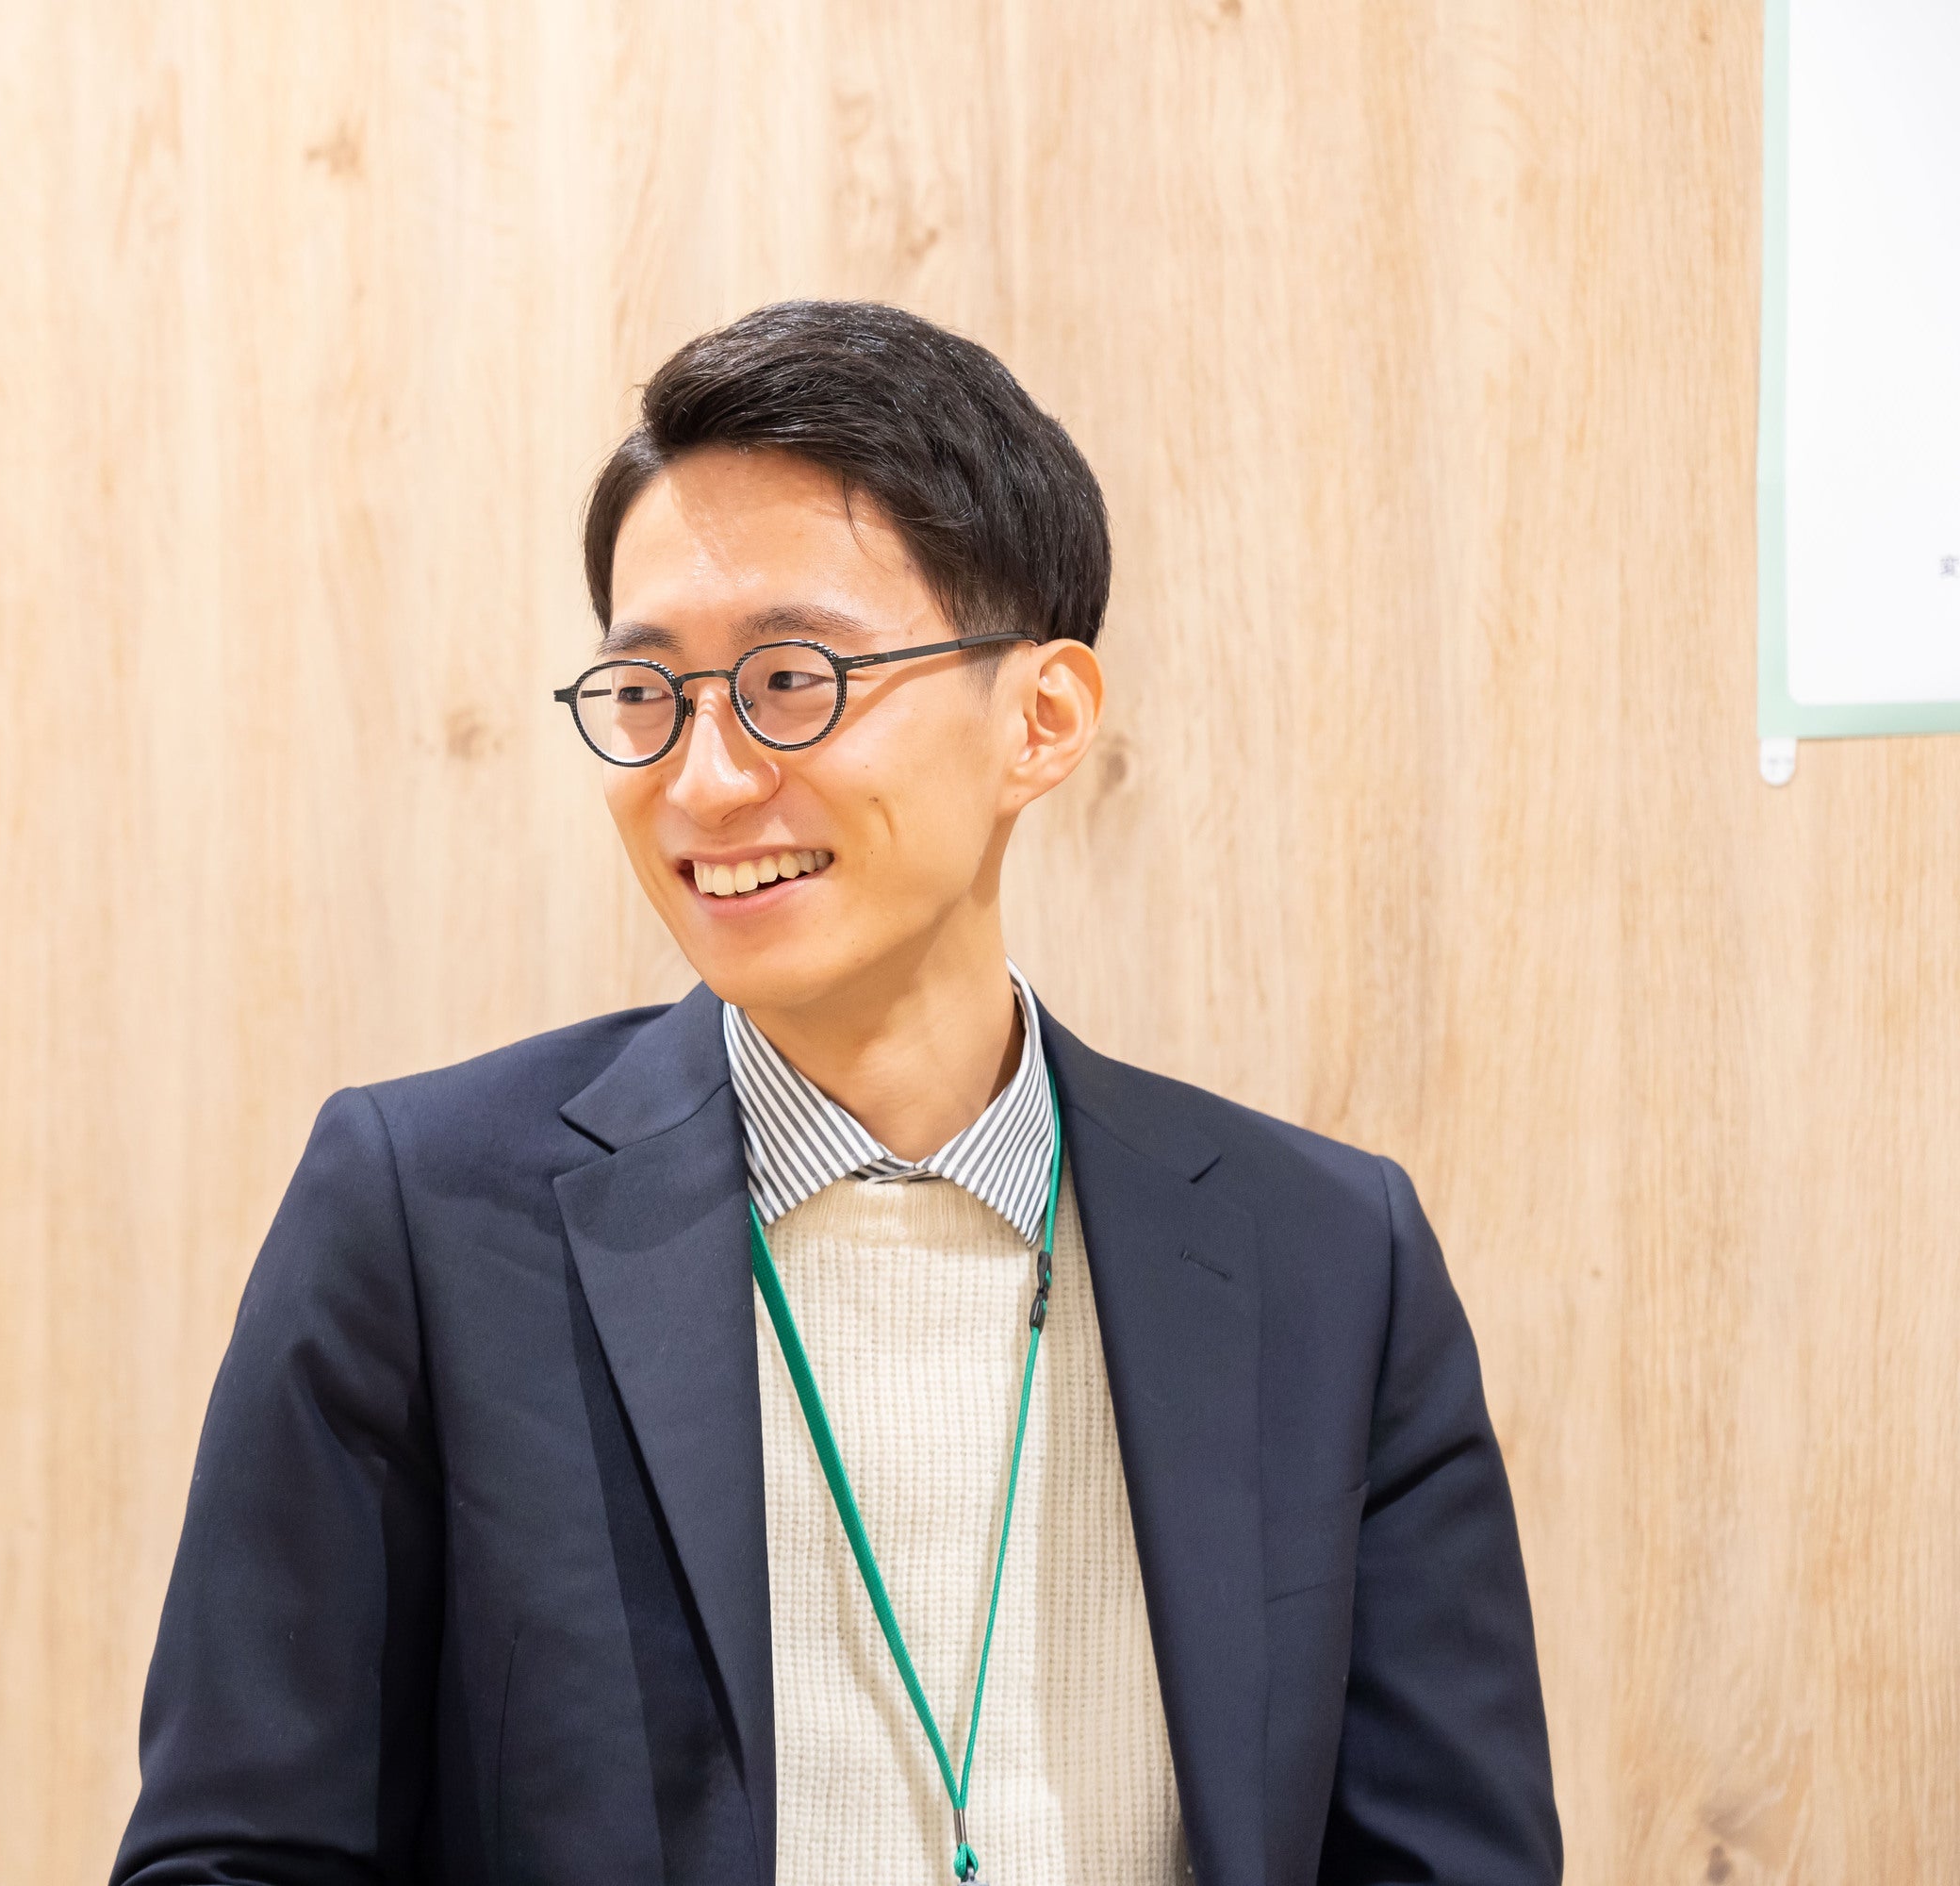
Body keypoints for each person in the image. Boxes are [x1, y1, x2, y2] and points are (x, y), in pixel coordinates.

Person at [110, 301, 1559, 1886]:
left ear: (1042, 720)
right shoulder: (422, 1218)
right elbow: (237, 1855)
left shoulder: (1330, 1259)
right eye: (647, 693)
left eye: (792, 679)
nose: (706, 778)